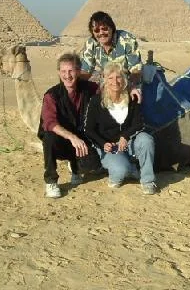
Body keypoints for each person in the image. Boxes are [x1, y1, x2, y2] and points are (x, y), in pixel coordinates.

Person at [84, 61, 157, 195]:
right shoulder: (96, 101)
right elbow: (89, 129)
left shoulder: (131, 99)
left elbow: (138, 123)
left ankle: (147, 180)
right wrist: (102, 143)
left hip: (128, 143)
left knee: (146, 139)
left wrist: (125, 136)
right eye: (110, 78)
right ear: (105, 80)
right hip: (109, 147)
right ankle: (129, 169)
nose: (115, 81)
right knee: (119, 174)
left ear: (124, 80)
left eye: (118, 77)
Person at [38, 52, 101, 198]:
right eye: (64, 71)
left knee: (94, 164)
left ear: (78, 71)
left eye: (71, 71)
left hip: (82, 140)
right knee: (49, 137)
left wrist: (131, 89)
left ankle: (76, 169)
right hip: (63, 141)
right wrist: (72, 137)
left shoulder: (90, 89)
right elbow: (49, 122)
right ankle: (51, 181)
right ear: (58, 73)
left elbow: (110, 93)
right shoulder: (52, 95)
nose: (68, 75)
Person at [80, 11, 143, 101]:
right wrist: (72, 82)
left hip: (128, 83)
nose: (101, 33)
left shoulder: (127, 40)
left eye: (104, 28)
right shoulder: (91, 44)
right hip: (107, 84)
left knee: (134, 103)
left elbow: (136, 71)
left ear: (111, 28)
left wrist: (131, 86)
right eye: (96, 30)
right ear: (92, 32)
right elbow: (86, 71)